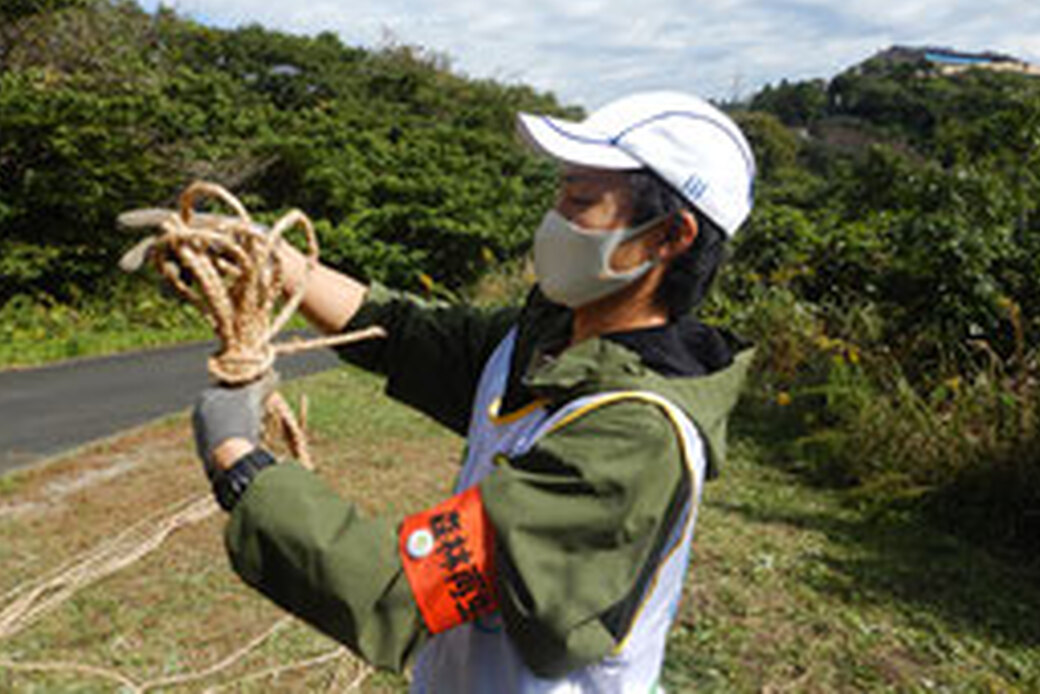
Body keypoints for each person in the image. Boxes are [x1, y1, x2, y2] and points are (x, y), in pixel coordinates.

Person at [192, 91, 757, 693]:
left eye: (582, 201)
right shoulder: (541, 342)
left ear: (669, 236)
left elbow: (400, 584)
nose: (556, 219)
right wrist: (272, 259)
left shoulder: (637, 436)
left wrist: (238, 460)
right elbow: (398, 332)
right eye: (560, 193)